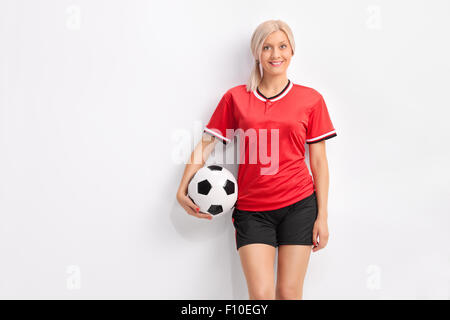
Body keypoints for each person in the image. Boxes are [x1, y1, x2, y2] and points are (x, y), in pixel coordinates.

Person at [176, 19, 337, 300]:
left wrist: (322, 216)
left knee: (288, 293)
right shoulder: (236, 98)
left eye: (282, 46)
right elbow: (206, 144)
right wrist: (182, 187)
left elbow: (319, 163)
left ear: (292, 51)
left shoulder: (311, 100)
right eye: (267, 47)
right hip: (252, 211)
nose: (276, 55)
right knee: (260, 296)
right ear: (257, 54)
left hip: (299, 206)